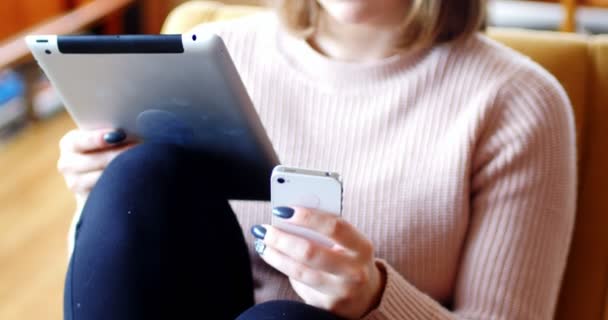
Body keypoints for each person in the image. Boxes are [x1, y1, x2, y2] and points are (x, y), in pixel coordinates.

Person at [58, 0, 577, 319]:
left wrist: (374, 299)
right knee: (139, 177)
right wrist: (99, 192)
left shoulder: (519, 101)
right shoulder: (218, 54)